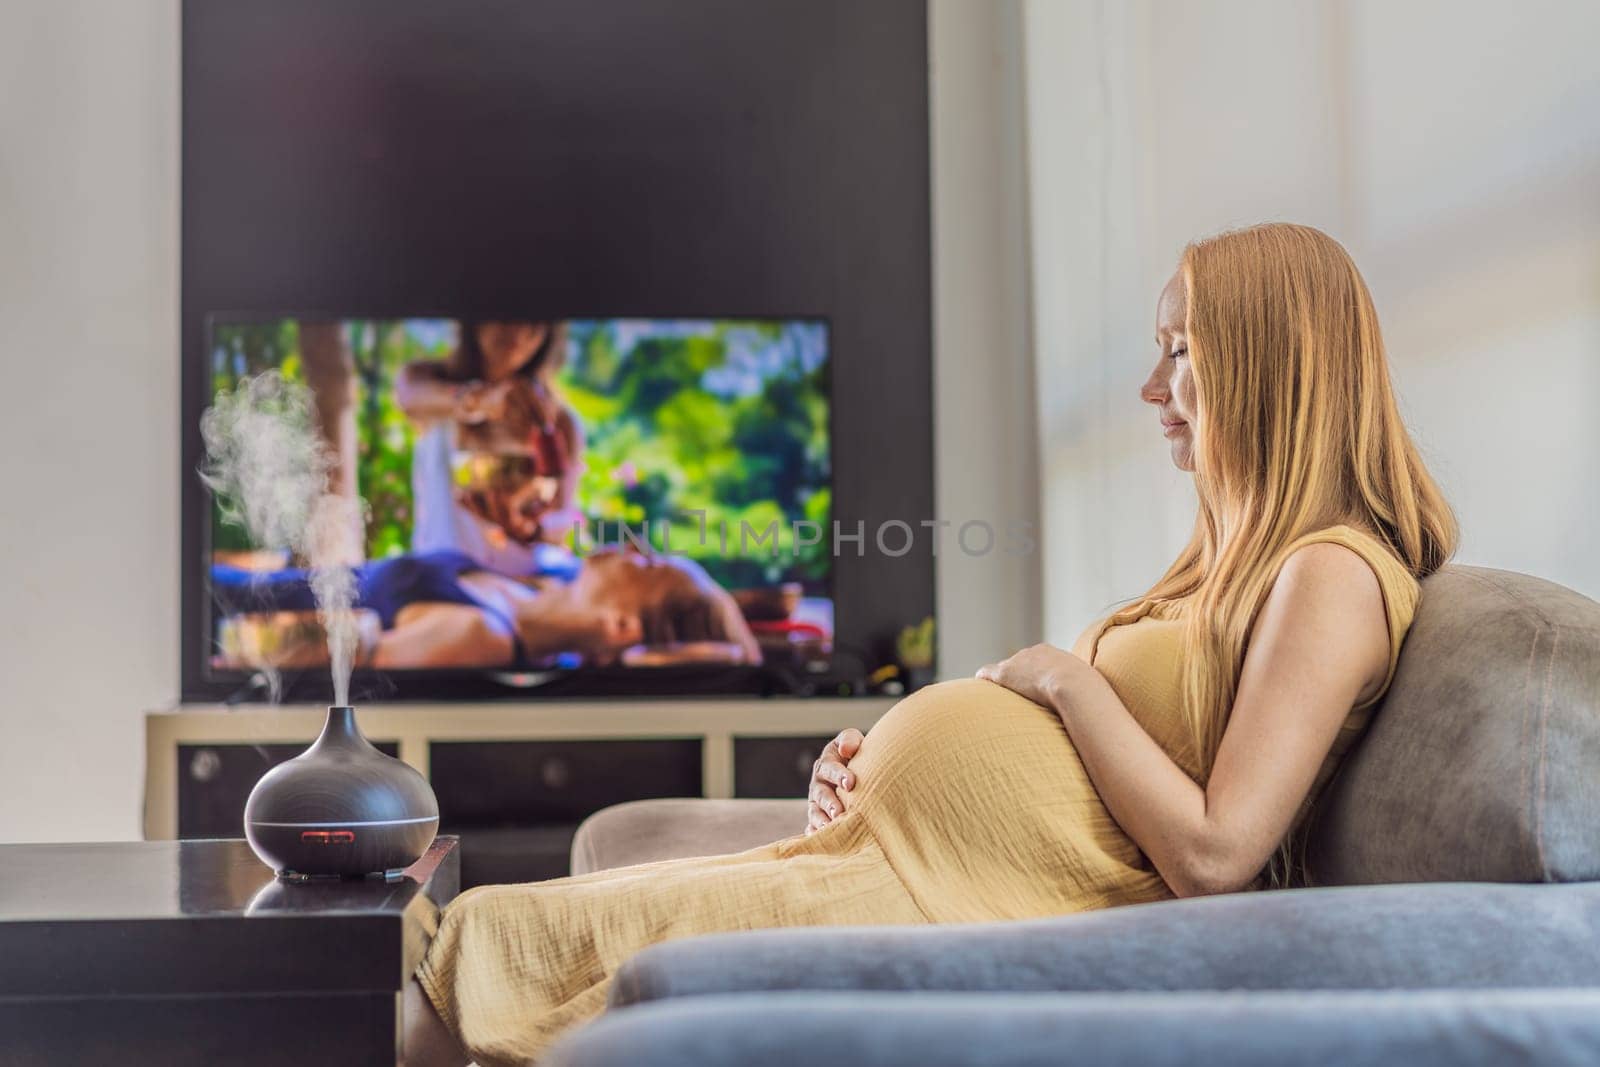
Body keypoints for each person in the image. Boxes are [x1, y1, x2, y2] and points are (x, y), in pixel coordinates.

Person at [399, 224, 1458, 1067]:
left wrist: (1063, 678)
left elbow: (1220, 855)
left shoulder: (1332, 573)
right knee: (495, 933)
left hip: (946, 900)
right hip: (885, 859)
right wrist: (871, 778)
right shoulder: (1227, 565)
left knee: (482, 956)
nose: (1150, 388)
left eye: (1178, 351)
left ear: (1267, 363)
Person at [212, 547, 761, 672]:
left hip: (220, 614)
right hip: (239, 579)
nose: (633, 549)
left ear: (622, 624)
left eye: (647, 567)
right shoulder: (539, 579)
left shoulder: (482, 636)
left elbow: (307, 650)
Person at [397, 320, 584, 576]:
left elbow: (561, 520)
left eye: (535, 321)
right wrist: (481, 401)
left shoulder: (559, 421)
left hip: (520, 581)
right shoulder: (427, 382)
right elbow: (410, 398)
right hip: (442, 576)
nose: (519, 330)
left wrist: (528, 530)